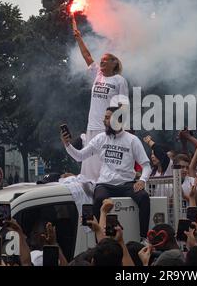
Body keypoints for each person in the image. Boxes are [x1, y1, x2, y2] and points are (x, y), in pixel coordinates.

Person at [62, 106, 152, 238]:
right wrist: (67, 145)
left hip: (126, 184)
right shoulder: (100, 138)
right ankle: (99, 240)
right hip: (105, 184)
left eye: (107, 117)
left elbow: (146, 166)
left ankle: (143, 237)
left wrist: (142, 180)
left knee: (144, 197)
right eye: (105, 117)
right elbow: (79, 156)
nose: (104, 120)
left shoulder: (132, 140)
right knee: (98, 199)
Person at [73, 18, 129, 183]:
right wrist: (78, 38)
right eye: (101, 59)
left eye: (106, 59)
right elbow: (87, 55)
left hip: (108, 129)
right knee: (89, 167)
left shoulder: (119, 80)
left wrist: (120, 130)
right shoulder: (97, 75)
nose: (101, 61)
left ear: (114, 63)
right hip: (92, 127)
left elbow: (123, 108)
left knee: (105, 167)